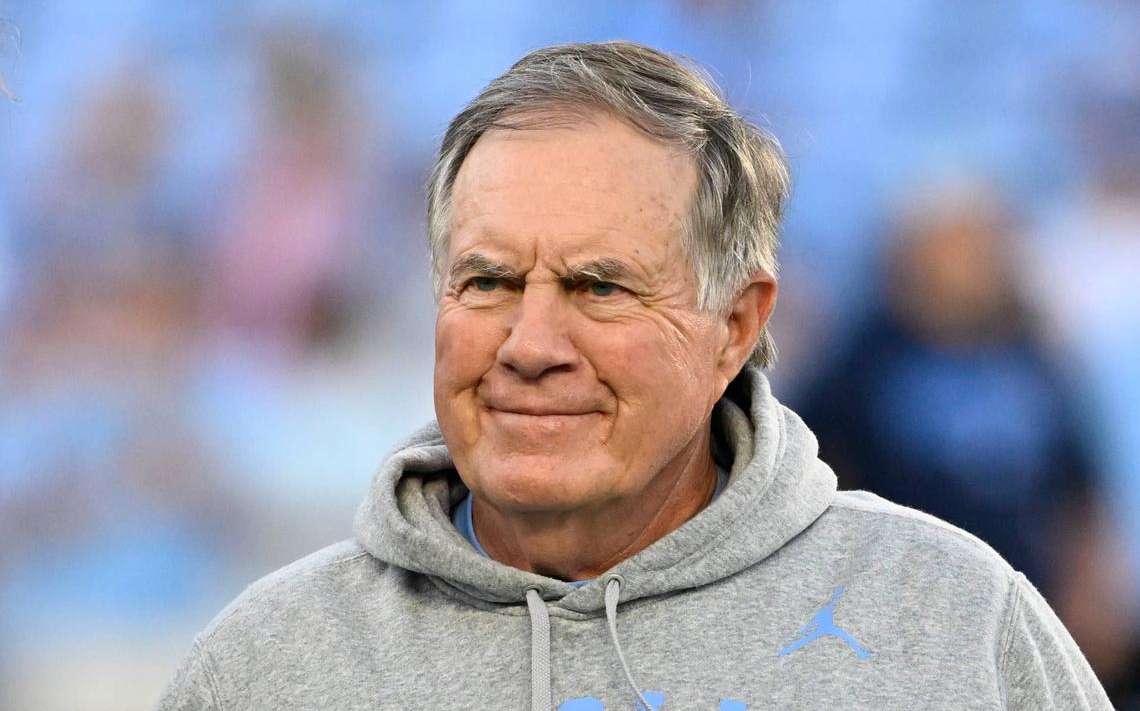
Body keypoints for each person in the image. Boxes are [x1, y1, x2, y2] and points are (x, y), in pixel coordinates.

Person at [157, 41, 1111, 710]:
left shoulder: (948, 620)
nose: (529, 343)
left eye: (599, 285)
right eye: (486, 280)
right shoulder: (272, 662)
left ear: (736, 325)